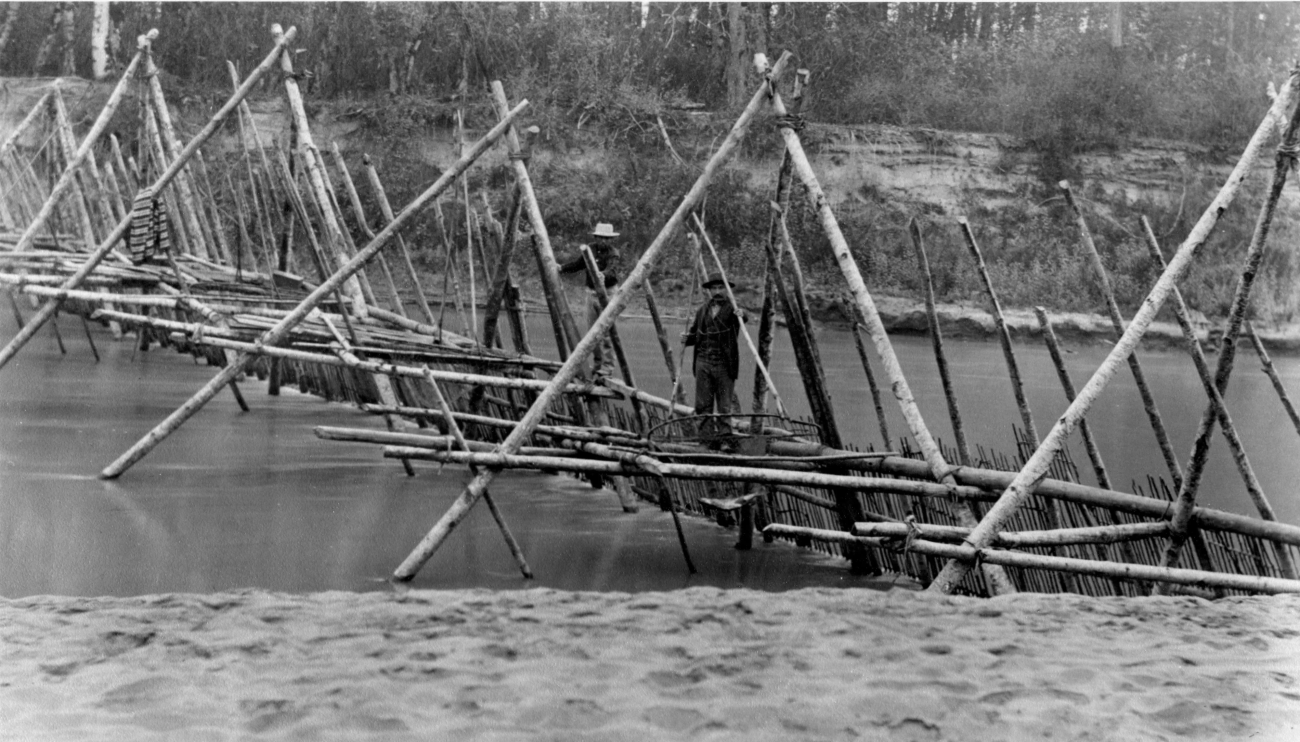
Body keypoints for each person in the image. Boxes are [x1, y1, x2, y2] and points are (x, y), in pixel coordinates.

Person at [683, 272, 742, 446]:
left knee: (724, 406)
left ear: (726, 289)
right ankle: (706, 440)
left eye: (720, 288)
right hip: (703, 362)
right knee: (702, 404)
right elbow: (695, 334)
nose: (717, 291)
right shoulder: (702, 310)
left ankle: (725, 441)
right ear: (709, 290)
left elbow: (743, 317)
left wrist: (741, 314)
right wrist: (686, 339)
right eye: (714, 288)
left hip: (724, 364)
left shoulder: (733, 309)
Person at [559, 222, 622, 377]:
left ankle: (607, 367)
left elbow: (612, 271)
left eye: (607, 238)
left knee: (606, 330)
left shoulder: (614, 253)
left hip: (608, 293)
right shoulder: (590, 250)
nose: (604, 241)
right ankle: (598, 363)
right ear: (596, 237)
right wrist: (562, 268)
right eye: (601, 238)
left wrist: (603, 275)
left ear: (610, 240)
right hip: (591, 292)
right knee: (592, 331)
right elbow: (578, 264)